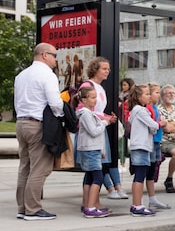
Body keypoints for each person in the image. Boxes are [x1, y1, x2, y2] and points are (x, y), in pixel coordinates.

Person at [14, 43, 64, 220]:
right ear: (44, 55)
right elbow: (55, 103)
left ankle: (22, 208)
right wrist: (63, 114)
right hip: (37, 125)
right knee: (40, 168)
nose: (56, 59)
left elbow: (17, 101)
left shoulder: (21, 75)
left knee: (25, 167)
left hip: (21, 123)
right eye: (54, 55)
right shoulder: (47, 75)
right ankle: (33, 209)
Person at [79, 57, 127, 201]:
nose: (108, 71)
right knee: (94, 171)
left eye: (108, 68)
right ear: (95, 69)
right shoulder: (87, 85)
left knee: (95, 170)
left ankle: (91, 202)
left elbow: (97, 110)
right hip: (92, 131)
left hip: (99, 127)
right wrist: (105, 119)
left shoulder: (100, 87)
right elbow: (84, 109)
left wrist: (107, 117)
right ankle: (91, 203)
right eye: (104, 69)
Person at [75, 86, 113, 218]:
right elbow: (94, 131)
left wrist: (101, 149)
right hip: (90, 149)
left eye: (96, 97)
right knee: (98, 177)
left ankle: (87, 204)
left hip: (92, 148)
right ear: (84, 100)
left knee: (90, 177)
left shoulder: (87, 113)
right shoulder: (86, 114)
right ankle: (91, 207)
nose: (95, 100)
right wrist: (104, 123)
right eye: (92, 97)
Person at [127, 84, 160, 216]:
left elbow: (151, 127)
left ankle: (138, 204)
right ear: (138, 96)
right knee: (139, 176)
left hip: (143, 145)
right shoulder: (140, 110)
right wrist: (160, 124)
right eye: (146, 94)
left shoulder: (140, 110)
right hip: (140, 146)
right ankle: (137, 205)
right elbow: (153, 125)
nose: (148, 96)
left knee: (141, 175)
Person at [145, 82, 171, 209]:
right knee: (149, 170)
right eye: (156, 92)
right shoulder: (148, 108)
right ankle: (150, 198)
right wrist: (162, 123)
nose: (159, 95)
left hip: (156, 140)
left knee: (153, 170)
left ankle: (152, 197)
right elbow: (152, 124)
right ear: (149, 95)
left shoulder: (155, 107)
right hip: (151, 141)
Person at [117, 77, 135, 170]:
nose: (123, 87)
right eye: (122, 85)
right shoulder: (120, 96)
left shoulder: (131, 96)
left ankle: (130, 164)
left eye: (125, 85)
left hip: (128, 120)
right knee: (121, 143)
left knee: (129, 143)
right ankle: (122, 162)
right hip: (121, 120)